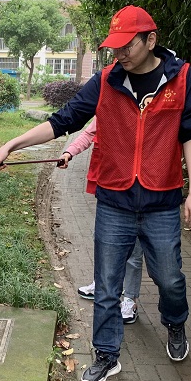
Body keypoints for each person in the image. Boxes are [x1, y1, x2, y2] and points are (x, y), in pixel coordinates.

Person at [0, 5, 191, 381]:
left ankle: (175, 322)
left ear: (150, 40)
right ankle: (107, 354)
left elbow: (190, 133)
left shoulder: (182, 78)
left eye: (127, 45)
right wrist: (11, 145)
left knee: (169, 279)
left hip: (161, 201)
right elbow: (63, 120)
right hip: (115, 201)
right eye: (114, 46)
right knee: (106, 284)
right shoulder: (106, 80)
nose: (119, 53)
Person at [58, 119, 143, 324]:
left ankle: (130, 299)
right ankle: (102, 283)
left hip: (139, 190)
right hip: (110, 187)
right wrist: (69, 152)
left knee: (134, 251)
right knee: (103, 240)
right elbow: (89, 133)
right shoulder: (107, 105)